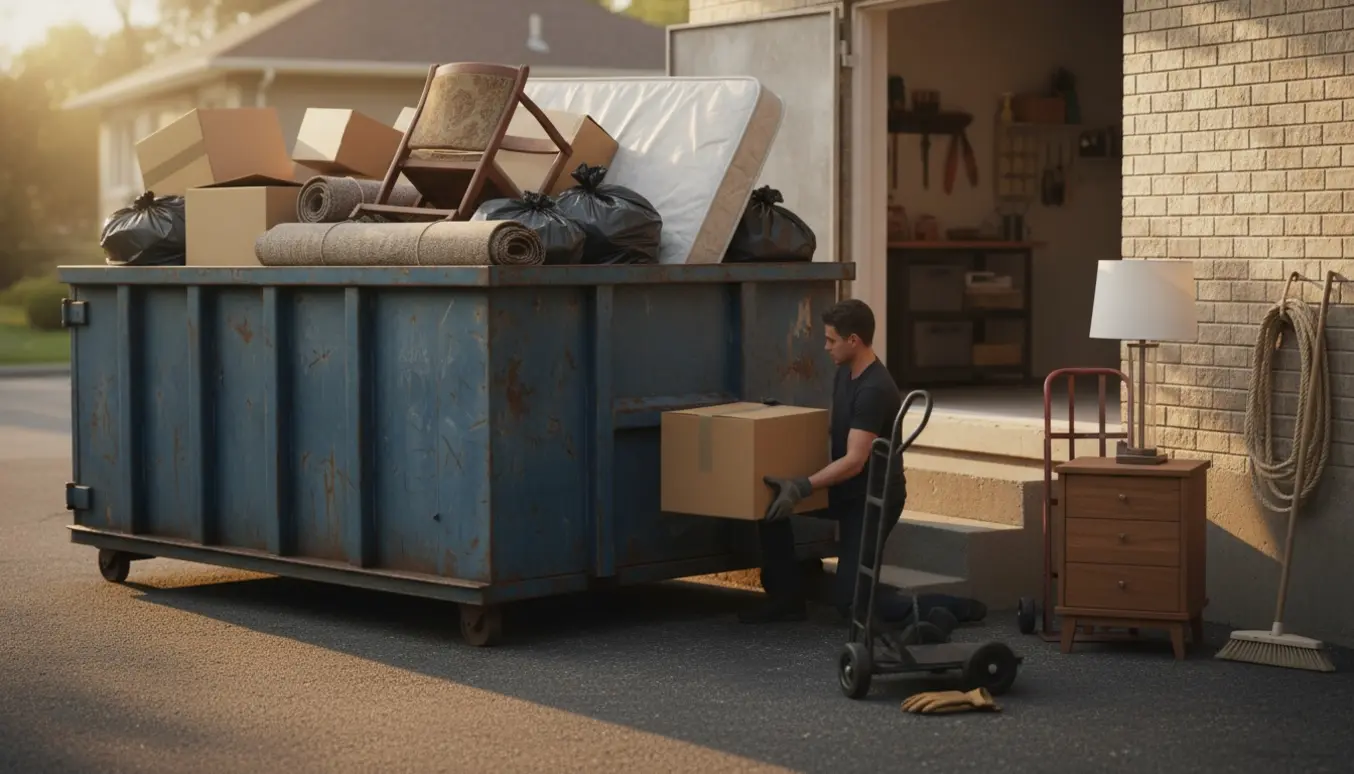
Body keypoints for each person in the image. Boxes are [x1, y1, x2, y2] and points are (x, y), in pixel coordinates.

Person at [738, 298, 986, 626]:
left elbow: (855, 461)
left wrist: (802, 485)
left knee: (852, 603)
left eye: (830, 340)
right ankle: (787, 599)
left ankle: (949, 608)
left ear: (852, 340)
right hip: (845, 488)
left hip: (871, 499)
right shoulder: (845, 374)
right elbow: (839, 433)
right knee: (770, 501)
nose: (825, 347)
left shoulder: (873, 389)